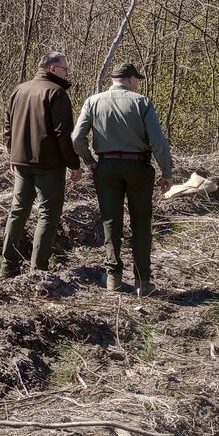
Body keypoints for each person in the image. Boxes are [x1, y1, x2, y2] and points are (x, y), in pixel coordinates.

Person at [72, 63, 172, 297]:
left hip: (105, 167)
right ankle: (143, 282)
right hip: (138, 166)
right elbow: (158, 141)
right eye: (136, 79)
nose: (137, 83)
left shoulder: (92, 101)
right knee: (141, 223)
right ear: (128, 79)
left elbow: (77, 137)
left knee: (110, 221)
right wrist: (166, 171)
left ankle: (113, 278)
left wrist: (88, 159)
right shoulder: (142, 102)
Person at [0, 52, 82, 277]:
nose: (67, 73)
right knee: (48, 213)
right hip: (48, 164)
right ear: (53, 69)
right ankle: (39, 269)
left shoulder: (19, 89)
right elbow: (63, 134)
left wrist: (12, 153)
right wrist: (74, 164)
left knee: (18, 211)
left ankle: (7, 267)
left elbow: (7, 125)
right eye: (65, 69)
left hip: (21, 162)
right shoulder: (56, 93)